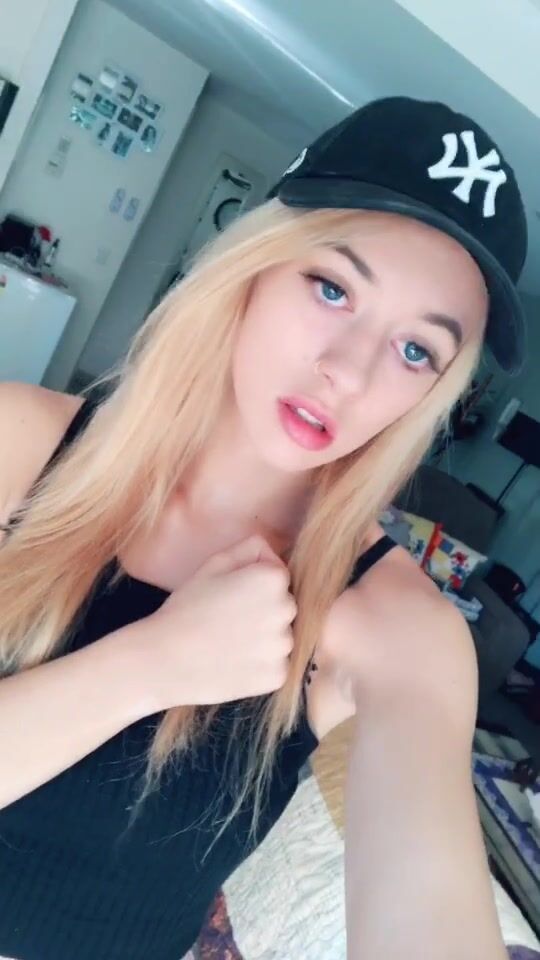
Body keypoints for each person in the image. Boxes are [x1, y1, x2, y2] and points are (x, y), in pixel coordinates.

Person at [0, 96, 528, 960]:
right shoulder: (18, 445)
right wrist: (153, 662)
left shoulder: (396, 630)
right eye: (333, 289)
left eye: (415, 351)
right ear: (254, 265)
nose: (348, 372)